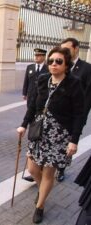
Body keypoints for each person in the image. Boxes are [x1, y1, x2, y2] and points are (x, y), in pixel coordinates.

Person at [17, 47, 85, 224]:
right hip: (39, 131)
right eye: (51, 61)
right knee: (32, 169)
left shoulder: (74, 83)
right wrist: (24, 124)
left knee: (48, 173)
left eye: (59, 61)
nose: (54, 64)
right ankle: (43, 190)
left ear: (66, 64)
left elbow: (79, 113)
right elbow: (32, 105)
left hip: (59, 135)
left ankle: (40, 206)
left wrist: (74, 140)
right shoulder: (42, 79)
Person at [56, 38, 91, 182]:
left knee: (67, 145)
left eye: (67, 49)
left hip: (74, 117)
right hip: (57, 114)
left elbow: (88, 97)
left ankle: (61, 169)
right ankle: (43, 168)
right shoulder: (61, 65)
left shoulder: (87, 69)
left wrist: (81, 120)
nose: (64, 52)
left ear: (76, 48)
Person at [22, 48, 49, 182]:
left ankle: (41, 170)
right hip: (32, 102)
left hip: (43, 108)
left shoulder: (48, 69)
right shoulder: (30, 67)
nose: (36, 57)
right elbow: (26, 81)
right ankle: (35, 171)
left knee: (39, 134)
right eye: (36, 55)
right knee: (34, 131)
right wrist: (24, 93)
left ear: (44, 57)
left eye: (39, 55)